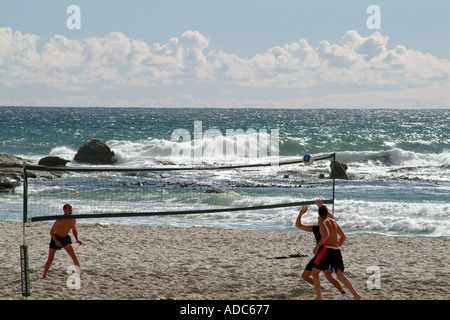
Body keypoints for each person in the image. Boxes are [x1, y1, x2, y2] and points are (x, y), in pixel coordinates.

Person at [311, 204, 361, 300]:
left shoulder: (321, 221)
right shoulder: (333, 221)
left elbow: (326, 236)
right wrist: (336, 247)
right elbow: (343, 237)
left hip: (327, 249)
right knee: (340, 275)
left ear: (318, 214)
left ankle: (319, 297)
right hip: (336, 249)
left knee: (315, 272)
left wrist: (317, 247)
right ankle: (356, 295)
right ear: (327, 212)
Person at [295, 200, 345, 295]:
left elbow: (331, 218)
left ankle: (341, 291)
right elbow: (298, 225)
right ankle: (323, 288)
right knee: (306, 276)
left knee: (327, 275)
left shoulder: (326, 226)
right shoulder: (317, 228)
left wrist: (301, 214)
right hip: (323, 254)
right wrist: (321, 207)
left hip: (325, 253)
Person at [42, 203, 82, 278]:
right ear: (64, 210)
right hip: (56, 238)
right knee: (50, 259)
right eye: (69, 208)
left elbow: (74, 230)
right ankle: (44, 275)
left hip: (65, 239)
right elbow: (51, 232)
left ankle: (79, 274)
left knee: (74, 256)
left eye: (71, 208)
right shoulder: (60, 219)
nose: (71, 210)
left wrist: (77, 239)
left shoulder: (73, 219)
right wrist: (56, 241)